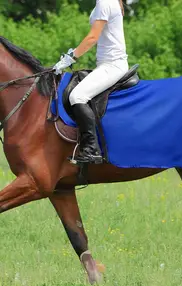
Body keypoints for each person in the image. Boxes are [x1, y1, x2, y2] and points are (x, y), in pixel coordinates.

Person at [53, 0, 128, 164]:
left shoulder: (105, 2)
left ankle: (91, 150)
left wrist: (71, 58)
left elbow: (93, 37)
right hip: (106, 64)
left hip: (113, 65)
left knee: (77, 96)